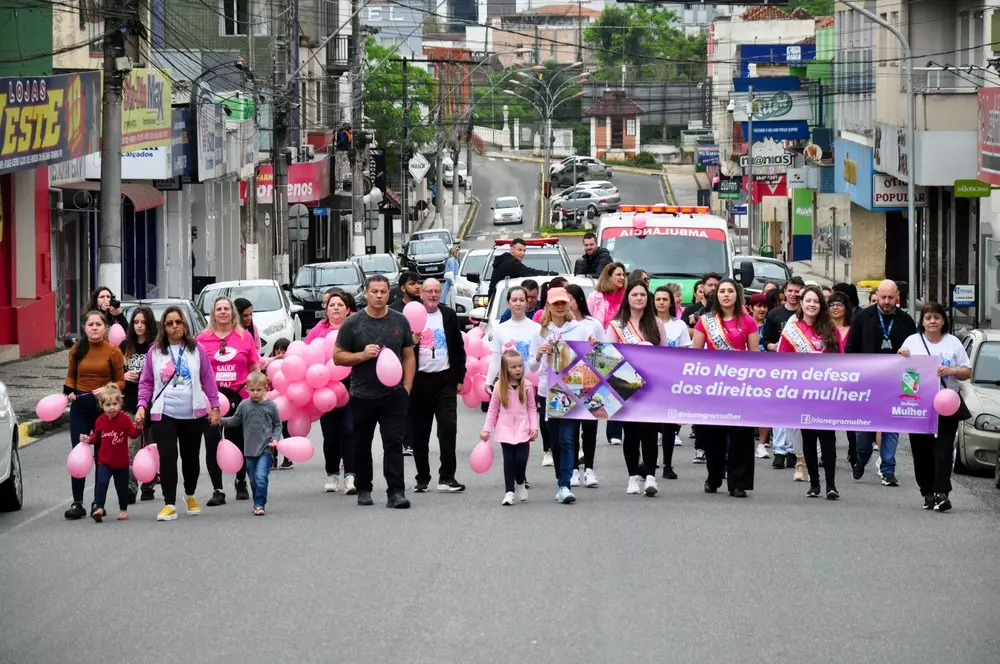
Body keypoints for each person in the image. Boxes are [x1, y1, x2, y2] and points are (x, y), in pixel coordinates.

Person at [334, 275, 416, 509]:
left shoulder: (400, 321)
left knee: (393, 443)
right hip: (362, 394)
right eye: (374, 292)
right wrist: (361, 355)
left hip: (394, 394)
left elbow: (409, 355)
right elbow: (337, 356)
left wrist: (407, 387)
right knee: (362, 444)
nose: (379, 295)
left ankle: (396, 492)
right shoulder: (353, 323)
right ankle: (364, 488)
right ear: (366, 294)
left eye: (383, 292)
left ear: (389, 294)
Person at [136, 305, 221, 522]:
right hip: (165, 413)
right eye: (170, 323)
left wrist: (215, 407)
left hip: (193, 414)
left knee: (191, 458)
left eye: (178, 322)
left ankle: (190, 495)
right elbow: (146, 383)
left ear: (184, 324)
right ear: (163, 328)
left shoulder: (196, 349)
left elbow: (208, 379)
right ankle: (169, 503)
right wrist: (141, 406)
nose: (175, 326)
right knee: (167, 457)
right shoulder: (155, 352)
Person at [899, 303, 971, 511]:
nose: (932, 321)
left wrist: (952, 370)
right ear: (922, 321)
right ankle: (927, 491)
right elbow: (901, 370)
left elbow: (967, 371)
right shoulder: (912, 342)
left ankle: (942, 492)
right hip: (918, 404)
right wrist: (901, 356)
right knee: (921, 450)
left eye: (937, 318)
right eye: (928, 317)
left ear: (943, 321)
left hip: (947, 403)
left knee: (943, 449)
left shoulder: (953, 343)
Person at [845, 279, 917, 486]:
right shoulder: (862, 317)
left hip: (895, 383)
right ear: (877, 295)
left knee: (891, 426)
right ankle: (862, 457)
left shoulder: (906, 321)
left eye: (890, 298)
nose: (886, 301)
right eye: (883, 297)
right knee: (863, 431)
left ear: (897, 298)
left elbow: (916, 353)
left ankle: (888, 469)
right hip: (867, 382)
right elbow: (851, 348)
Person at [692, 278, 759, 498]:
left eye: (731, 291)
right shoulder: (706, 321)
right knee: (713, 435)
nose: (726, 295)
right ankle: (714, 476)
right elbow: (696, 354)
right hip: (714, 387)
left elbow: (754, 356)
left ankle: (738, 482)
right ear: (716, 295)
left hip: (740, 387)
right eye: (722, 291)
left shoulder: (748, 322)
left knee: (741, 436)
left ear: (737, 295)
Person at [529, 287, 593, 504]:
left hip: (572, 391)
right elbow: (531, 366)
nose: (559, 306)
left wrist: (593, 348)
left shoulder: (580, 330)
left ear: (569, 304)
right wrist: (539, 354)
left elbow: (593, 359)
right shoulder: (539, 332)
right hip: (547, 391)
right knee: (555, 440)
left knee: (567, 438)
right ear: (547, 305)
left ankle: (564, 485)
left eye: (563, 302)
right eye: (555, 303)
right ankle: (561, 480)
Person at [777, 285, 842, 500]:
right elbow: (782, 362)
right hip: (803, 394)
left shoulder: (830, 329)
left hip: (826, 395)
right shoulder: (792, 330)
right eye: (808, 300)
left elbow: (843, 361)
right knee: (808, 438)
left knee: (828, 439)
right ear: (801, 303)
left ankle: (831, 485)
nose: (812, 304)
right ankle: (814, 484)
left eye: (815, 301)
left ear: (820, 305)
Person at [197, 296, 260, 506]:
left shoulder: (244, 337)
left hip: (238, 395)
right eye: (218, 309)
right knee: (213, 442)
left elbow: (254, 366)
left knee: (236, 441)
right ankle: (217, 489)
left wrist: (258, 388)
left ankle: (240, 480)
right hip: (211, 398)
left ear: (232, 313)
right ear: (213, 314)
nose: (222, 312)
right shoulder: (202, 339)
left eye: (226, 309)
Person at [607, 278, 667, 497]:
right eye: (634, 295)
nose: (639, 298)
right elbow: (608, 357)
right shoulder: (616, 325)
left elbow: (664, 355)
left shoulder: (657, 324)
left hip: (650, 386)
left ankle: (650, 476)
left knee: (650, 431)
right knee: (630, 432)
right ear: (627, 298)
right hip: (625, 385)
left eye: (642, 294)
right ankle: (633, 476)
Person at [63, 310, 126, 520]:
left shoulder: (113, 351)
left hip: (104, 410)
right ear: (84, 328)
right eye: (90, 324)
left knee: (102, 456)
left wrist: (108, 387)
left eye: (99, 324)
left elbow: (121, 381)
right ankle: (77, 502)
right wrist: (69, 392)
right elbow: (70, 377)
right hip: (80, 407)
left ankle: (98, 503)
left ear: (105, 327)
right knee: (78, 452)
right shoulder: (76, 350)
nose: (95, 328)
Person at [409, 278, 467, 493]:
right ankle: (422, 478)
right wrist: (411, 340)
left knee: (448, 429)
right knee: (420, 433)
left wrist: (460, 378)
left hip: (445, 380)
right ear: (421, 293)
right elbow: (400, 349)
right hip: (419, 382)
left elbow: (458, 348)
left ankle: (447, 477)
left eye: (437, 291)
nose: (433, 295)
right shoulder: (410, 315)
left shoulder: (449, 315)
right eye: (429, 291)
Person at [307, 291, 357, 494]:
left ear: (347, 309)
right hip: (324, 387)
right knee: (330, 433)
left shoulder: (356, 326)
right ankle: (332, 474)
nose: (336, 308)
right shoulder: (318, 331)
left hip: (352, 384)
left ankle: (350, 476)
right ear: (325, 309)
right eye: (332, 305)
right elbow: (307, 354)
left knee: (350, 430)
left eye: (340, 305)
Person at [220, 371, 283, 516]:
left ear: (265, 388)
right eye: (252, 390)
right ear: (246, 389)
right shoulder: (244, 405)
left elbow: (277, 425)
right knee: (254, 479)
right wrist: (220, 421)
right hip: (249, 449)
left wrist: (275, 439)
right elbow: (235, 420)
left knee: (261, 477)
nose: (255, 393)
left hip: (265, 448)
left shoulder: (271, 406)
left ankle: (260, 504)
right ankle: (257, 501)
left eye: (259, 390)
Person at [481, 349, 538, 505]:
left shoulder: (527, 386)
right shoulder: (499, 386)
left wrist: (534, 426)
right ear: (505, 369)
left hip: (523, 428)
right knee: (509, 460)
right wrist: (486, 429)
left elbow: (532, 408)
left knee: (521, 459)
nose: (518, 369)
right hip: (505, 429)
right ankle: (509, 492)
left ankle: (520, 482)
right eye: (513, 367)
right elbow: (493, 409)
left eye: (520, 366)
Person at [761, 276, 805, 474]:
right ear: (784, 292)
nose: (794, 295)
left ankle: (794, 452)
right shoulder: (775, 314)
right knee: (779, 409)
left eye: (798, 291)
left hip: (803, 372)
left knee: (796, 412)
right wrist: (774, 346)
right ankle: (779, 450)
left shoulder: (806, 315)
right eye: (790, 291)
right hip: (779, 367)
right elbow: (765, 340)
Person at [566, 283, 604, 488]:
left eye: (568, 299)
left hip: (591, 381)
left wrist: (595, 346)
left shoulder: (593, 323)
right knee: (571, 428)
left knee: (590, 427)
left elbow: (606, 353)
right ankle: (572, 469)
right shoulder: (563, 325)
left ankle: (589, 468)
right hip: (567, 382)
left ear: (578, 300)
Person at [83, 383, 139, 522]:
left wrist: (138, 427)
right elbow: (96, 437)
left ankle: (123, 509)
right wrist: (87, 439)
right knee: (101, 482)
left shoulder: (125, 419)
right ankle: (99, 508)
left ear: (120, 404)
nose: (112, 408)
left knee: (121, 487)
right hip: (105, 461)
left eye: (115, 404)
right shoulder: (100, 421)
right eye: (108, 405)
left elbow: (133, 434)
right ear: (102, 406)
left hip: (121, 462)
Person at [653, 284, 691, 478]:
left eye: (664, 299)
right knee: (650, 423)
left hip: (672, 379)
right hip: (650, 380)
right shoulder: (646, 323)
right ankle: (649, 461)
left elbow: (686, 351)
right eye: (658, 299)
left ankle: (667, 464)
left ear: (671, 302)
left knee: (669, 424)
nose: (661, 302)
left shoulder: (680, 325)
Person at [120, 305, 156, 502]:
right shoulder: (125, 346)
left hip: (153, 403)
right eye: (135, 322)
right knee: (131, 448)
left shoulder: (156, 347)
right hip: (130, 402)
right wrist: (124, 376)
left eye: (143, 322)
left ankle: (149, 485)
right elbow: (115, 374)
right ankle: (130, 487)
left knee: (150, 446)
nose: (139, 326)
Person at [487, 238, 552, 299]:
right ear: (512, 250)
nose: (523, 253)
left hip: (494, 299)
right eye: (520, 250)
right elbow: (530, 272)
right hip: (499, 301)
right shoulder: (512, 263)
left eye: (524, 250)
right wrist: (553, 274)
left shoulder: (504, 260)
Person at [587, 262, 627, 328]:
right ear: (608, 277)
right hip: (600, 337)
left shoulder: (627, 297)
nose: (622, 277)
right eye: (618, 275)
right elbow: (587, 322)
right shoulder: (593, 297)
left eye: (623, 275)